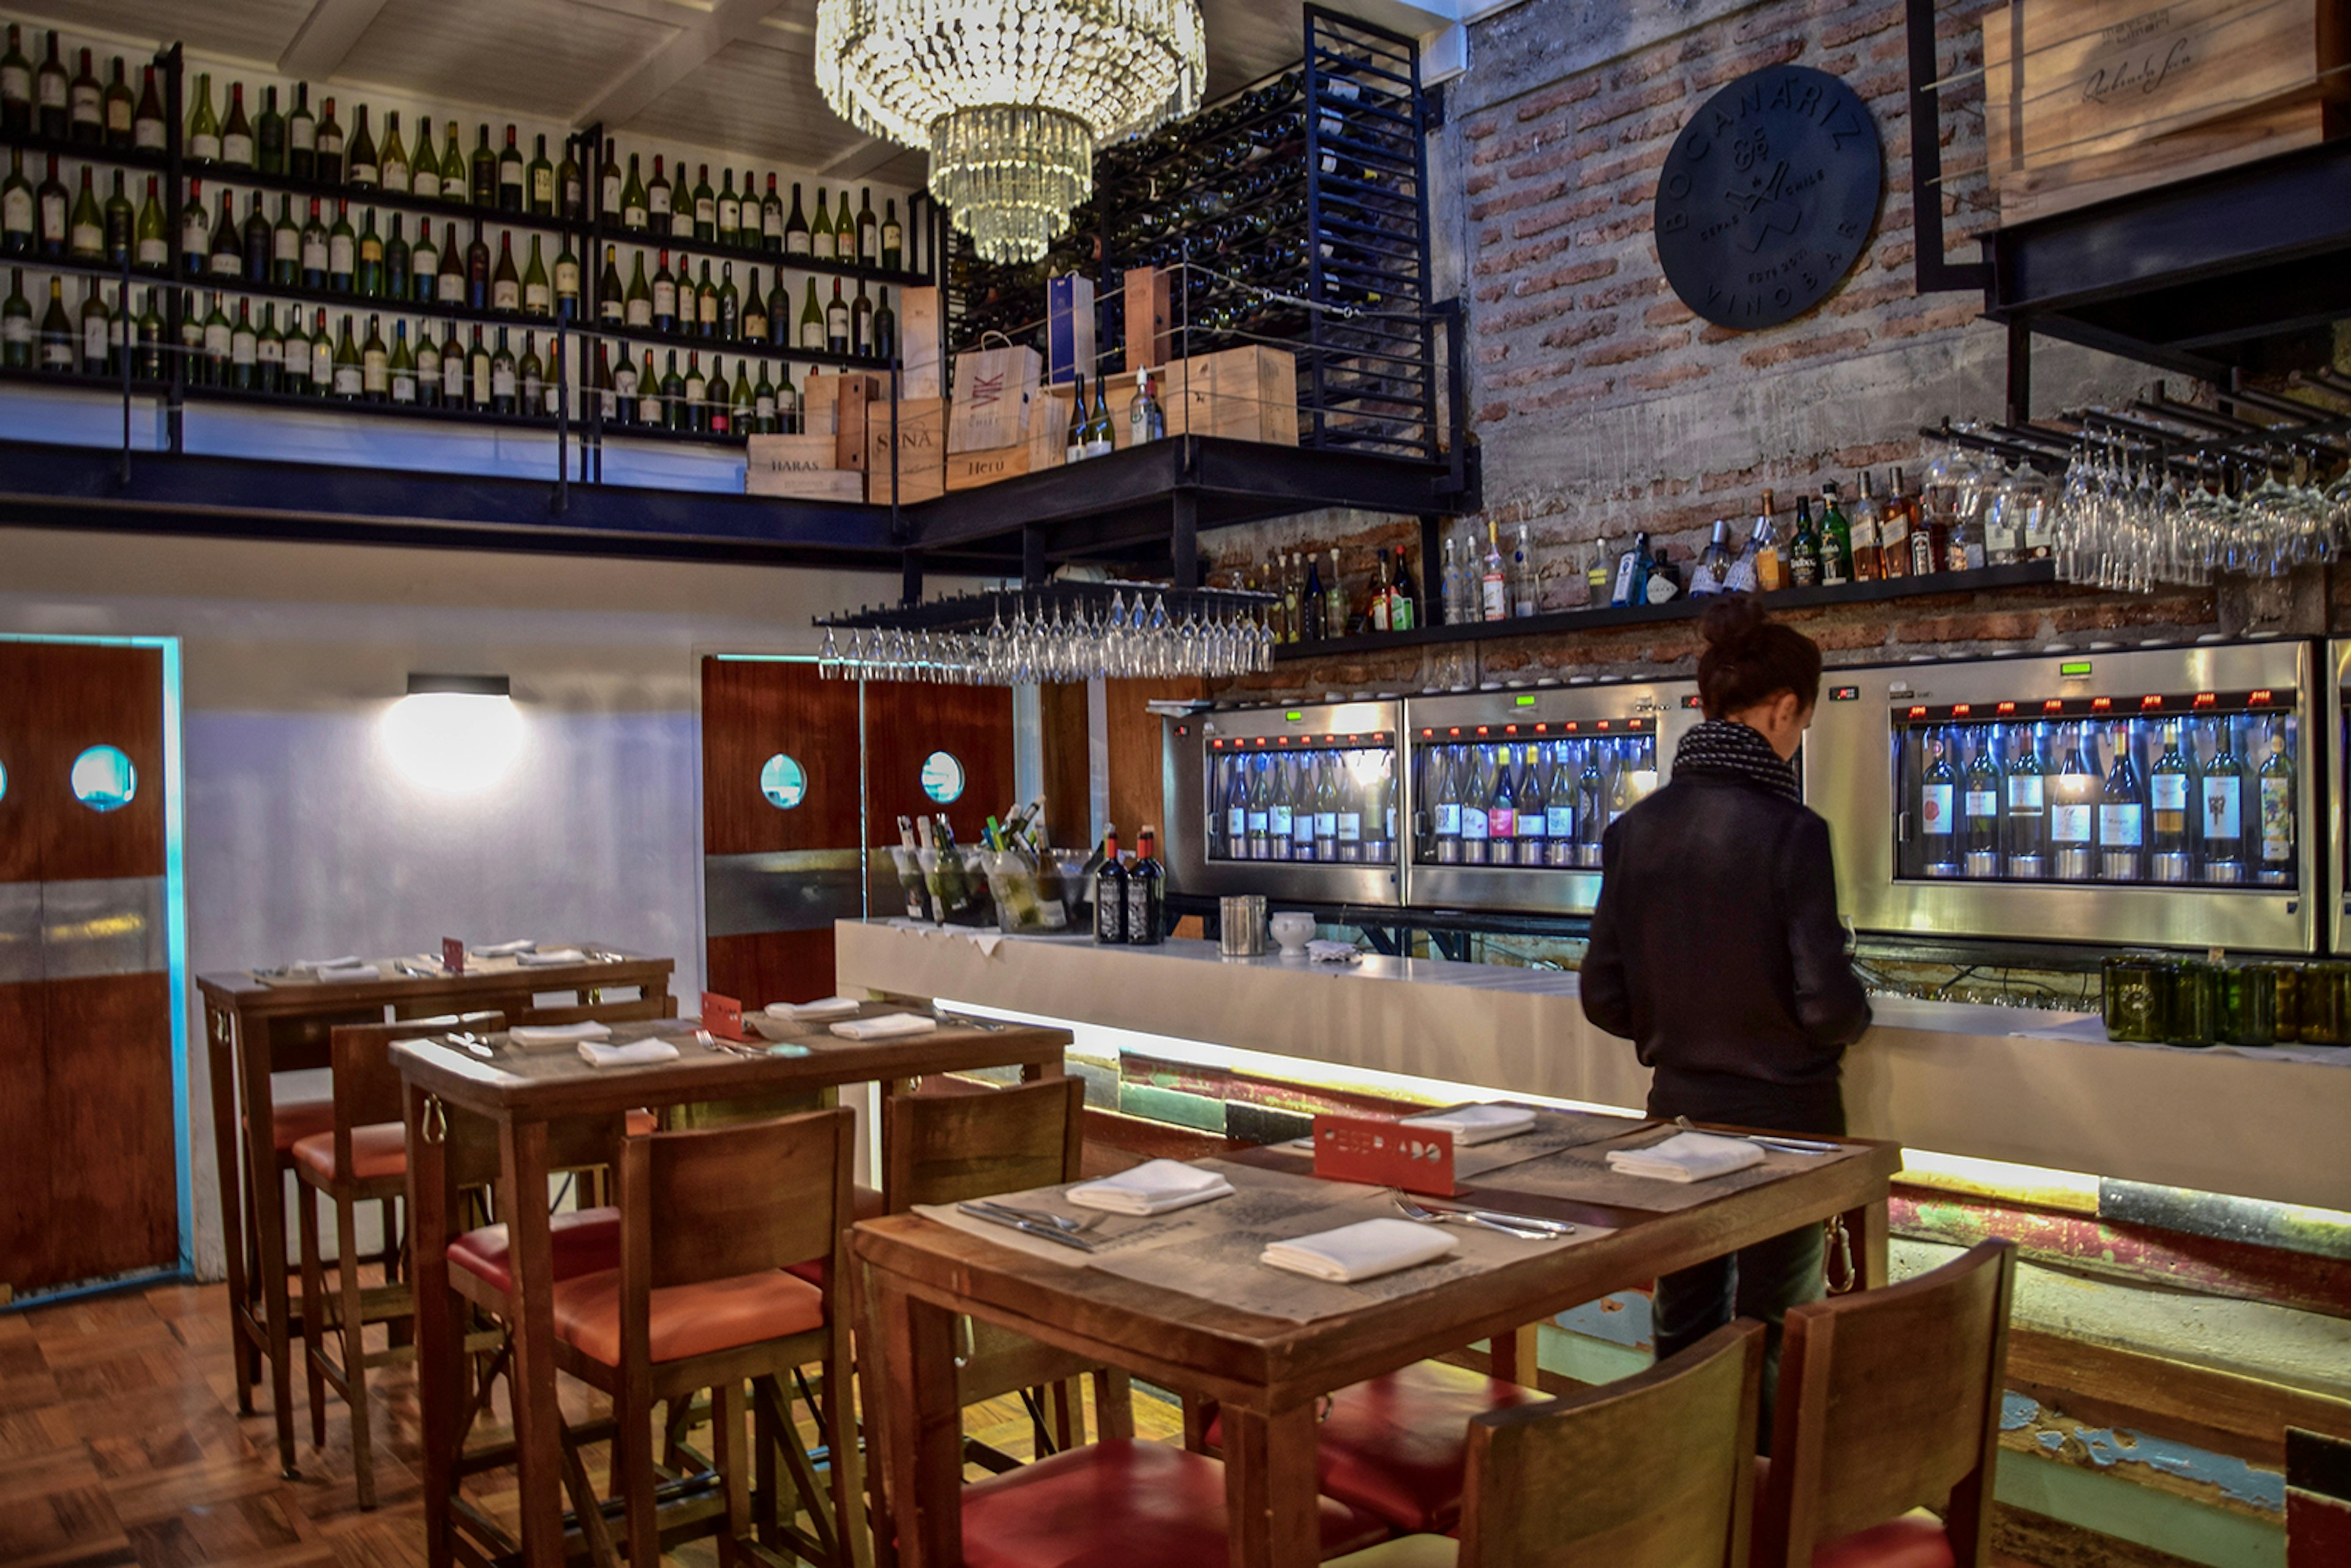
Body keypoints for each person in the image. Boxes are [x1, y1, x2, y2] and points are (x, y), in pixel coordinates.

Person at [1578, 595, 1871, 1437]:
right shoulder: (1793, 832)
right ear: (1783, 709)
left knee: (1684, 1318)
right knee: (1775, 1329)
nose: (1797, 740)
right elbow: (1827, 1008)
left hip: (1674, 1118)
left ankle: (1683, 1508)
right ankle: (1765, 1517)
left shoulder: (1635, 830)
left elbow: (1603, 996)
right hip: (1787, 1128)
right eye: (1801, 724)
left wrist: (1681, 1019)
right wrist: (1856, 1005)